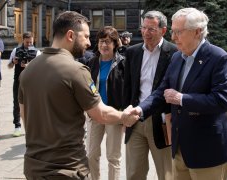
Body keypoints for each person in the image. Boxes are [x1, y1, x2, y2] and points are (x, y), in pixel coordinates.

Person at [18, 11, 138, 180]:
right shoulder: (76, 71)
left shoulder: (28, 71)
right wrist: (124, 116)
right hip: (67, 169)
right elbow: (100, 113)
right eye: (86, 37)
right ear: (70, 35)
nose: (89, 43)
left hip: (34, 167)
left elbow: (25, 117)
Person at [126, 8, 227, 180]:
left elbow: (223, 100)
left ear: (197, 32)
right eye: (173, 32)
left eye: (178, 32)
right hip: (179, 148)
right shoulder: (178, 57)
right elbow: (161, 92)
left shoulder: (218, 57)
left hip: (207, 151)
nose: (173, 37)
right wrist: (139, 110)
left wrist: (182, 99)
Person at [123, 11, 177, 180]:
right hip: (135, 121)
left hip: (162, 121)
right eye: (144, 28)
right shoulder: (133, 52)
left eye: (151, 29)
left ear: (163, 30)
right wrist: (125, 115)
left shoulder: (174, 52)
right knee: (134, 173)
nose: (146, 33)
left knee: (166, 173)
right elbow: (128, 86)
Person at [85, 26, 125, 180]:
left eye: (108, 42)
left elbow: (127, 89)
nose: (104, 45)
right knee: (92, 154)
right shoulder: (92, 62)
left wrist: (123, 114)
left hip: (114, 114)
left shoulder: (122, 63)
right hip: (95, 113)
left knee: (113, 157)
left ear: (115, 44)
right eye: (101, 41)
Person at [7, 32, 41, 137]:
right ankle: (17, 126)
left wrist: (28, 65)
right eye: (27, 42)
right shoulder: (16, 50)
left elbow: (40, 70)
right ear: (23, 40)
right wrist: (13, 62)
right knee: (17, 104)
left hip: (32, 83)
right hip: (18, 82)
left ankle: (32, 126)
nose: (29, 44)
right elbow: (8, 66)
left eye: (31, 42)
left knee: (32, 104)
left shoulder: (37, 52)